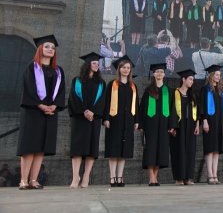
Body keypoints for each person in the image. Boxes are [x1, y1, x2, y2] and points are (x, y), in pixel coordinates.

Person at [17, 35, 65, 190]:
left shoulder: (58, 71)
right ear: (40, 49)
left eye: (52, 47)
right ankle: (23, 180)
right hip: (33, 112)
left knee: (41, 148)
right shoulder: (32, 67)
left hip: (50, 113)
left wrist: (54, 106)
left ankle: (34, 180)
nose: (50, 49)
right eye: (47, 47)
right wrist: (40, 105)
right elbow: (29, 88)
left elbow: (61, 92)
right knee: (29, 147)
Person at [68, 52, 106, 188]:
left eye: (98, 63)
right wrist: (84, 110)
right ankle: (75, 177)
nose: (97, 65)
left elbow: (102, 101)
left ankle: (86, 177)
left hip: (93, 119)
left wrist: (93, 112)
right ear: (87, 64)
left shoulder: (101, 83)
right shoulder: (77, 81)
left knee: (91, 148)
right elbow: (73, 98)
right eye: (94, 63)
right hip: (80, 118)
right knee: (78, 148)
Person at [103, 55, 139, 187]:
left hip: (128, 121)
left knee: (124, 151)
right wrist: (106, 118)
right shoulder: (112, 85)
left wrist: (136, 120)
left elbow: (136, 105)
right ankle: (112, 177)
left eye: (128, 68)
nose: (126, 70)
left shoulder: (132, 86)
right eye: (123, 67)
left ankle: (120, 177)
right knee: (114, 149)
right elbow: (106, 103)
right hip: (114, 120)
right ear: (119, 69)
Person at [139, 63, 172, 186]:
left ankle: (155, 176)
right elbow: (142, 108)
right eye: (157, 71)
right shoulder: (148, 90)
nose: (159, 74)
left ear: (164, 74)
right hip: (150, 124)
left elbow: (172, 109)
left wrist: (172, 125)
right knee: (150, 150)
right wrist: (141, 124)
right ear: (153, 74)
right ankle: (151, 177)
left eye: (161, 72)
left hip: (164, 125)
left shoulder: (168, 91)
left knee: (160, 150)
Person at [169, 69, 200, 185]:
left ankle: (188, 177)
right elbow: (171, 110)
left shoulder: (193, 95)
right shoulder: (174, 93)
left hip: (191, 126)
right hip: (179, 126)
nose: (192, 81)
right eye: (190, 79)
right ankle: (179, 178)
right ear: (183, 79)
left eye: (193, 79)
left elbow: (198, 112)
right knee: (179, 151)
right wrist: (172, 126)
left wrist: (197, 125)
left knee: (190, 152)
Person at [200, 64, 223, 184]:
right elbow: (202, 107)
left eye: (219, 75)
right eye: (216, 74)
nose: (218, 77)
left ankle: (215, 175)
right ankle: (210, 175)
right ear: (211, 75)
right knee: (210, 149)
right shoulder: (205, 89)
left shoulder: (221, 90)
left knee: (216, 150)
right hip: (209, 122)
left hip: (219, 122)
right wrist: (204, 121)